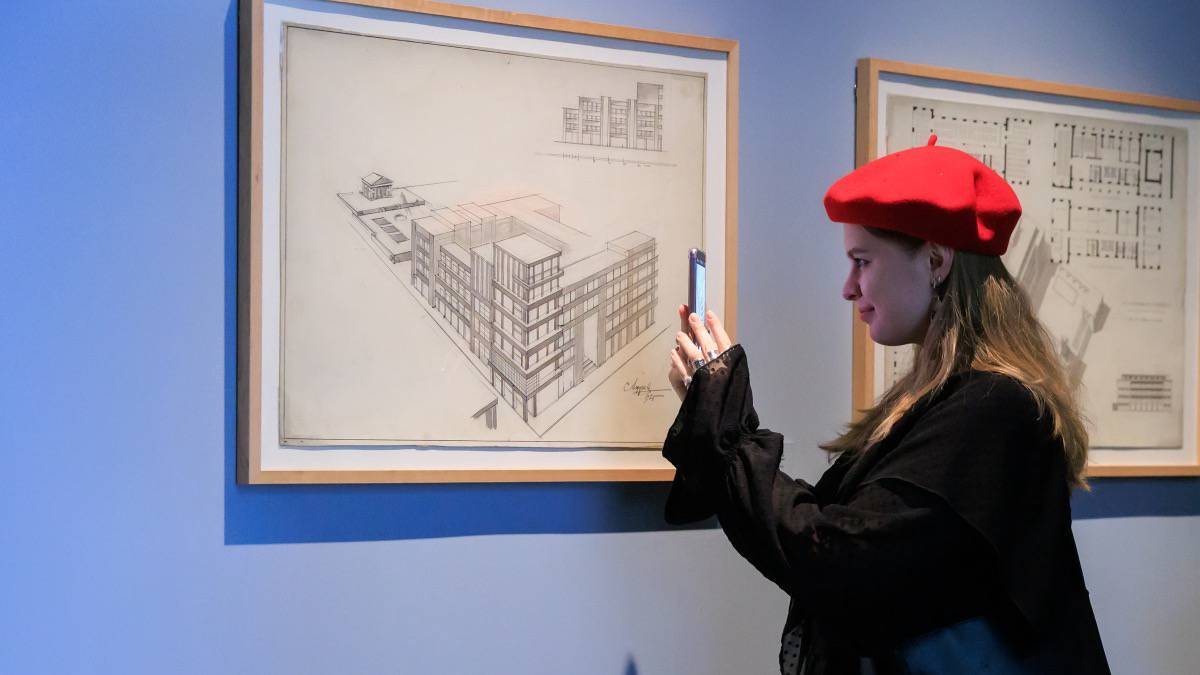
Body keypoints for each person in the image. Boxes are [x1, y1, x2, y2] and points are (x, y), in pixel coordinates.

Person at [663, 135, 1110, 674]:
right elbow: (832, 525)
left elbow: (833, 558)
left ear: (936, 260)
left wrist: (725, 424)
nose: (848, 288)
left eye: (862, 261)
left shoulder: (995, 409)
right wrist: (717, 413)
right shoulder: (953, 398)